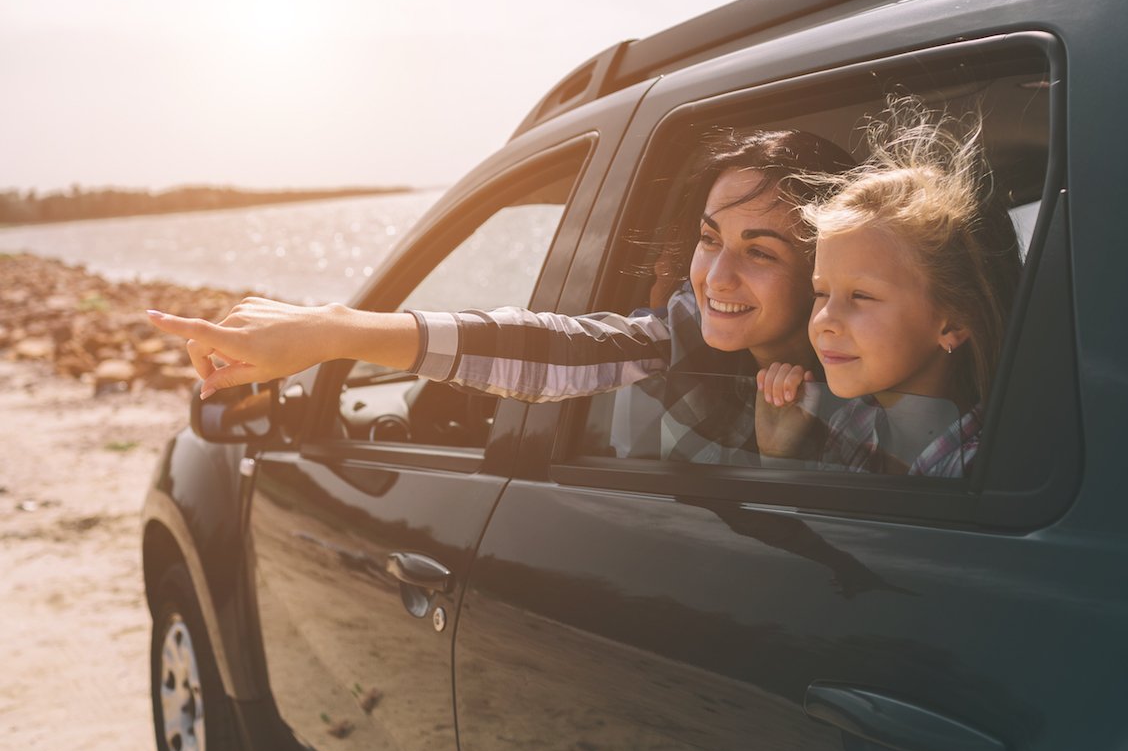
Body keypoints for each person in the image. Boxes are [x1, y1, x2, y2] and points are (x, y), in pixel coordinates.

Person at [147, 129, 854, 464]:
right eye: (709, 239)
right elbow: (556, 349)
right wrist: (336, 331)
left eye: (761, 251)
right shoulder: (680, 331)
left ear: (826, 266)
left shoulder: (878, 388)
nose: (717, 277)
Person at [755, 99, 1023, 476]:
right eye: (820, 293)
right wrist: (777, 458)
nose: (824, 321)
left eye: (861, 296)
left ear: (954, 323)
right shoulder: (849, 430)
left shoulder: (988, 473)